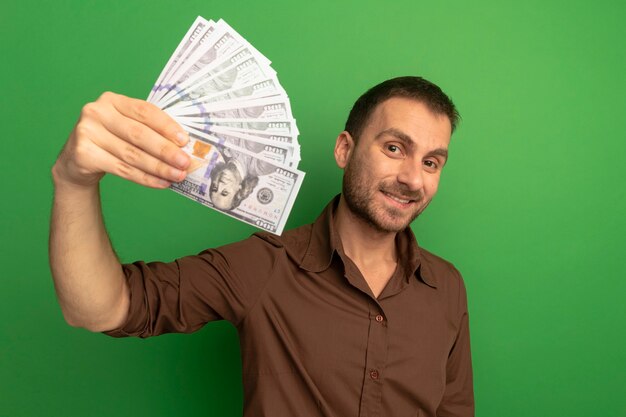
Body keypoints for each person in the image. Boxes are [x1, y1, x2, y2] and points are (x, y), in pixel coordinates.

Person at [49, 76, 474, 417]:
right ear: (346, 149)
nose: (413, 179)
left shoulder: (447, 287)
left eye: (431, 162)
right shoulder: (264, 266)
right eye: (395, 148)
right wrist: (73, 182)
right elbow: (100, 307)